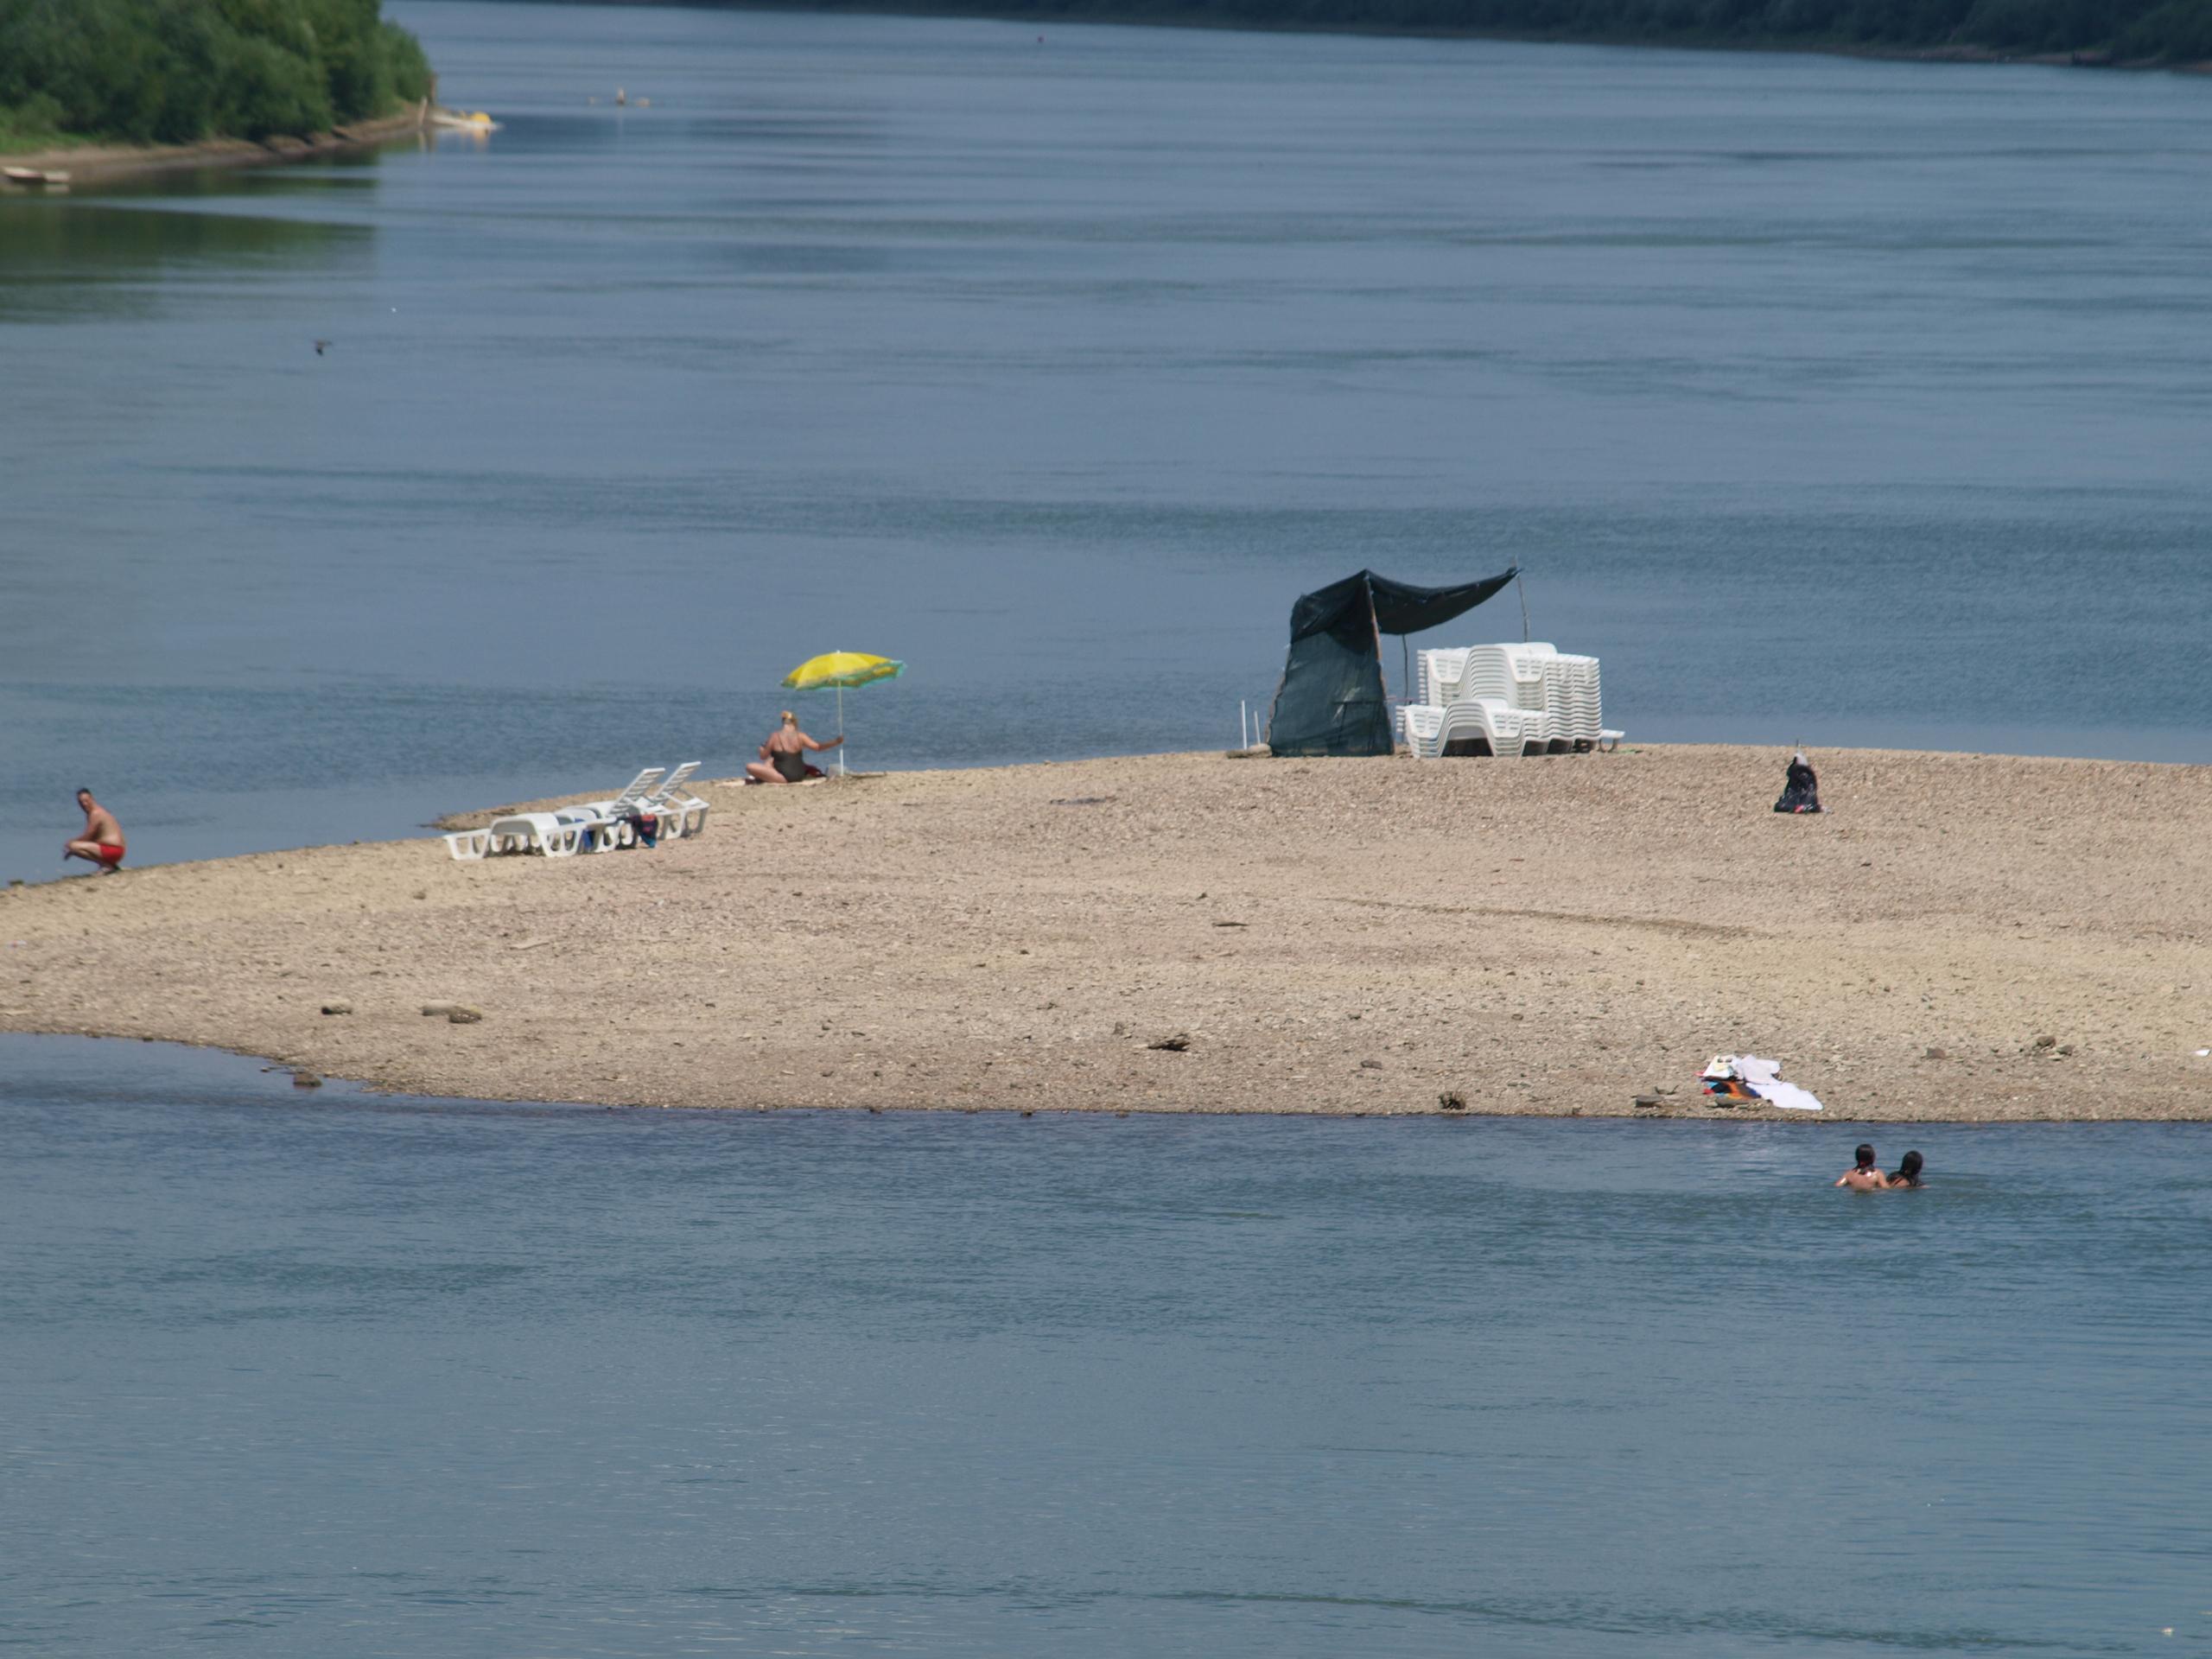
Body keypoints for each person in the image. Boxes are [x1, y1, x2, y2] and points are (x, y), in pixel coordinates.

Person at [744, 710, 842, 785]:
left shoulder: (774, 736)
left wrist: (761, 749)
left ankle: (761, 779)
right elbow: (818, 747)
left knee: (750, 766)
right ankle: (762, 778)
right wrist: (836, 741)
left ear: (783, 723)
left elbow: (763, 756)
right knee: (770, 761)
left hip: (784, 778)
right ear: (794, 723)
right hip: (799, 775)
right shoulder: (801, 736)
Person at [64, 787, 126, 874]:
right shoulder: (96, 812)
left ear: (92, 799)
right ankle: (111, 865)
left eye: (86, 801)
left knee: (73, 846)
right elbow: (92, 837)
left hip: (113, 850)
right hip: (118, 850)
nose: (84, 804)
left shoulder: (95, 813)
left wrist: (71, 843)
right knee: (75, 846)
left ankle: (106, 865)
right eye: (81, 802)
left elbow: (87, 836)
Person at [1774, 750, 1823, 814]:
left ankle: (1801, 807)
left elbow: (1809, 790)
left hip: (1804, 798)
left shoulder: (1807, 776)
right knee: (1781, 806)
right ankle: (1800, 807)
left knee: (1807, 803)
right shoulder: (1796, 773)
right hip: (1795, 797)